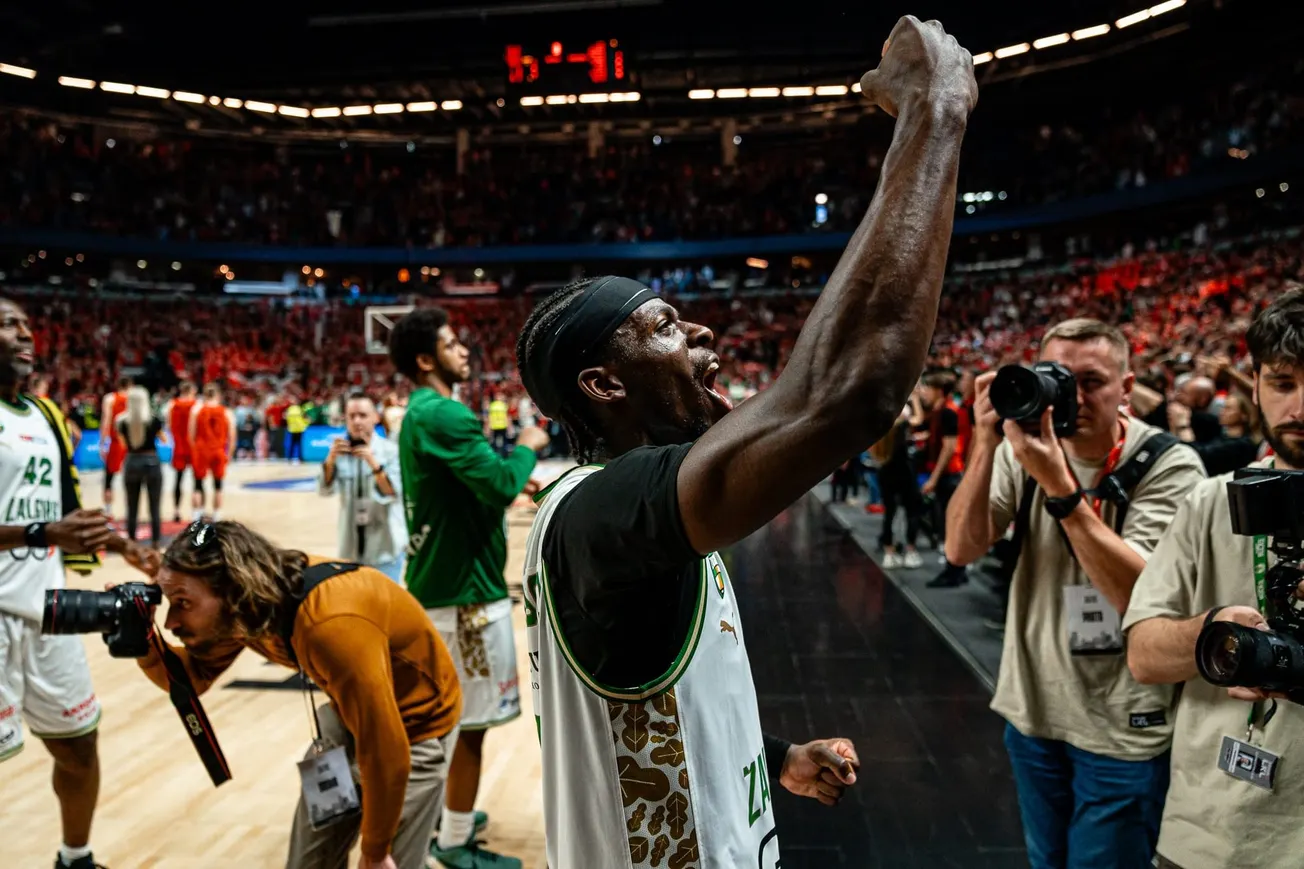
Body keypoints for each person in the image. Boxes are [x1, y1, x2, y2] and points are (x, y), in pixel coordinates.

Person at [512, 16, 975, 867]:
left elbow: (655, 705)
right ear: (604, 385)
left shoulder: (622, 513)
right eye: (664, 327)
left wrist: (772, 759)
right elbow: (849, 390)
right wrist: (936, 108)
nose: (705, 339)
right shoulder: (603, 514)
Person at [944, 318, 1208, 869]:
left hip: (1123, 723)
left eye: (1093, 382)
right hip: (1033, 709)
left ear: (1126, 389)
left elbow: (1142, 596)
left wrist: (1061, 488)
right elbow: (961, 549)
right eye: (1060, 379)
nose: (1074, 397)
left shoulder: (1170, 464)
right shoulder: (1025, 449)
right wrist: (986, 442)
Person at [121, 519, 462, 869]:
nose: (171, 622)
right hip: (349, 717)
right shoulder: (248, 605)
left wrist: (375, 851)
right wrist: (142, 641)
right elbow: (193, 679)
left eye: (182, 603)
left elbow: (386, 751)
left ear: (234, 589)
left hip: (416, 730)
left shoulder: (331, 625)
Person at [1123, 289, 1304, 869]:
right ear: (1254, 385)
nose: (1301, 407)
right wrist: (1214, 632)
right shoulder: (1207, 502)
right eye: (1283, 383)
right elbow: (1144, 656)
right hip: (1205, 833)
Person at [388, 306, 547, 869]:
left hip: (444, 587)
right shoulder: (443, 415)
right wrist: (528, 443)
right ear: (425, 358)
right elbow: (502, 483)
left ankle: (444, 815)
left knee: (453, 722)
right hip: (464, 599)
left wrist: (505, 472)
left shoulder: (425, 412)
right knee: (471, 725)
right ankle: (451, 844)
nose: (464, 351)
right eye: (452, 343)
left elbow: (476, 486)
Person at [0, 297, 120, 869]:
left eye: (26, 323)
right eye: (7, 324)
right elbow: (48, 523)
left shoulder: (45, 413)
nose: (26, 333)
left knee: (78, 746)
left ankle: (76, 859)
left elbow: (67, 505)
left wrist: (120, 546)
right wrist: (42, 530)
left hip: (47, 610)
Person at [319, 392, 407, 585]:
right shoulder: (339, 451)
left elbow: (392, 493)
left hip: (385, 549)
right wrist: (330, 461)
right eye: (351, 416)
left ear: (375, 417)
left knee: (385, 607)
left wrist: (373, 463)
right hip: (350, 549)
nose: (357, 421)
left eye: (363, 415)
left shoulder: (390, 451)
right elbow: (326, 490)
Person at [116, 386, 165, 547]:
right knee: (154, 505)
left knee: (131, 505)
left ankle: (131, 540)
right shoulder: (154, 420)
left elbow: (123, 444)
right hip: (151, 461)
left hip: (132, 461)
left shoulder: (121, 421)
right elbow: (164, 439)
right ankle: (156, 541)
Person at [190, 383, 235, 520]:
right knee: (218, 486)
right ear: (218, 395)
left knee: (197, 485)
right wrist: (230, 455)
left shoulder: (196, 410)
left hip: (201, 450)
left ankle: (197, 516)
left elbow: (191, 434)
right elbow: (232, 436)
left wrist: (196, 448)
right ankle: (216, 517)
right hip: (218, 451)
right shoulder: (226, 412)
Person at [164, 382, 198, 523]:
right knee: (198, 481)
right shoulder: (196, 405)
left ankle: (176, 510)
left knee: (178, 480)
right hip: (193, 446)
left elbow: (167, 425)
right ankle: (196, 513)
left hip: (178, 446)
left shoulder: (172, 404)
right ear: (191, 390)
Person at [99, 377, 130, 512]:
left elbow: (106, 420)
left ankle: (108, 509)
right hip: (129, 443)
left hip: (115, 442)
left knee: (109, 478)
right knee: (130, 479)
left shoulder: (110, 398)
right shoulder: (133, 399)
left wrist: (102, 441)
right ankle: (130, 509)